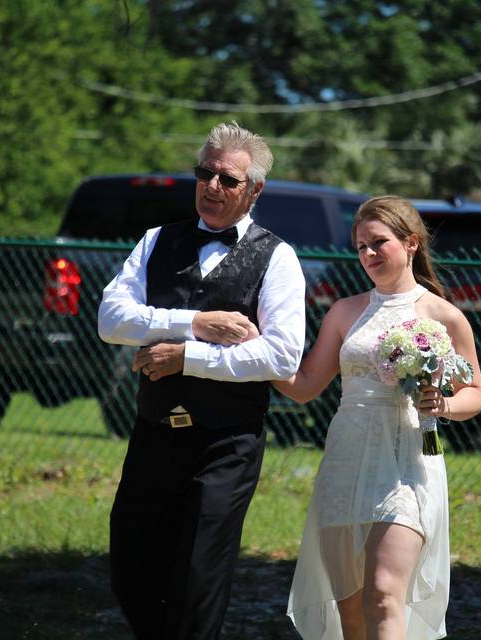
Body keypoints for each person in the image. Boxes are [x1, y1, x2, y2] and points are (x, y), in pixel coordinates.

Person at [97, 121, 306, 640]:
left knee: (197, 576)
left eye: (228, 180)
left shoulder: (277, 258)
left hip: (225, 444)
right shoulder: (156, 240)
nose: (212, 187)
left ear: (253, 190)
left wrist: (186, 357)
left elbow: (280, 356)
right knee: (131, 565)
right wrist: (192, 324)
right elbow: (111, 319)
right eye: (204, 174)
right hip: (154, 432)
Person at [273, 196, 481, 639]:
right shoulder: (344, 311)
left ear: (410, 243)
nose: (367, 255)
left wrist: (442, 404)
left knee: (384, 594)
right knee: (348, 605)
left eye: (378, 243)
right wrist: (256, 355)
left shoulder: (443, 315)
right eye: (360, 246)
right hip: (346, 458)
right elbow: (306, 385)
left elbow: (475, 394)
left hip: (405, 460)